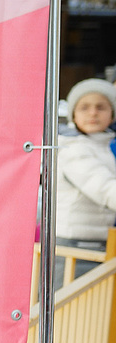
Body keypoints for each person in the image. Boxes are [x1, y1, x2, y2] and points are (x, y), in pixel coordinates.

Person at [57, 78, 116, 285]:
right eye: (84, 107)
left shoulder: (104, 146)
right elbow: (103, 187)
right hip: (72, 249)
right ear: (73, 114)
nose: (93, 113)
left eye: (101, 107)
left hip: (98, 245)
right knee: (69, 305)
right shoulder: (72, 148)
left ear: (112, 114)